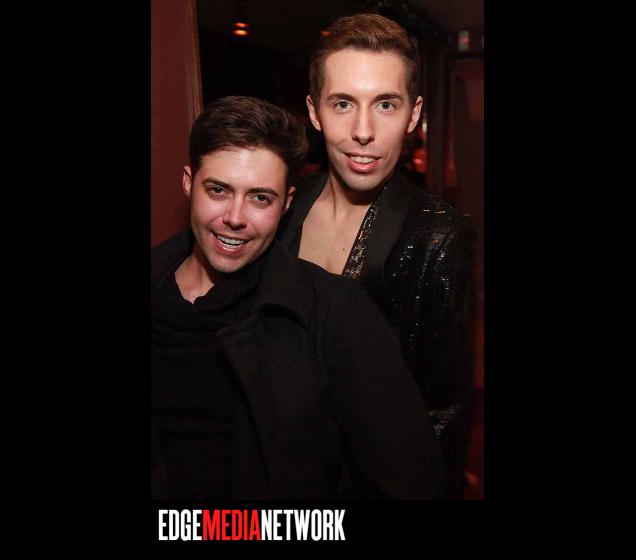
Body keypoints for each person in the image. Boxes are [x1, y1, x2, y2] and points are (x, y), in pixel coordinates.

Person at [151, 95, 443, 500]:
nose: (234, 217)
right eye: (218, 190)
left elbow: (412, 479)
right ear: (189, 183)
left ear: (286, 203)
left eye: (260, 198)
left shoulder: (334, 312)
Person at [277, 14, 477, 499]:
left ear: (413, 115)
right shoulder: (282, 208)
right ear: (314, 112)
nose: (363, 131)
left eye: (385, 105)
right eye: (343, 103)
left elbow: (443, 415)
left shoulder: (439, 236)